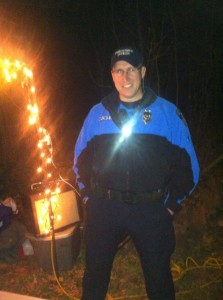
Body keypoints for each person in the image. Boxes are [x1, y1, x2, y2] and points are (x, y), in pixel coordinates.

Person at [73, 46, 200, 300]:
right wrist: (89, 199)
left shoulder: (167, 114)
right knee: (95, 277)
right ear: (112, 75)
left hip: (151, 211)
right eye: (119, 71)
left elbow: (189, 168)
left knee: (159, 278)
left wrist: (170, 207)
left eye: (131, 69)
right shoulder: (97, 114)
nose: (125, 77)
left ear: (142, 72)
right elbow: (79, 161)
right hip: (104, 209)